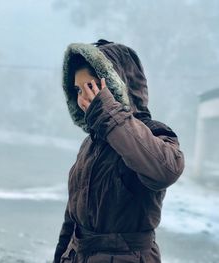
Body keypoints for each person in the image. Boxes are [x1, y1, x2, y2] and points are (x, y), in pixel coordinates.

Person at [53, 39, 185, 263]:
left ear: (117, 85)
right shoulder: (92, 143)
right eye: (77, 89)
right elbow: (73, 220)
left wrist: (107, 112)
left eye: (92, 87)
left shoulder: (152, 133)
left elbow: (167, 170)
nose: (83, 98)